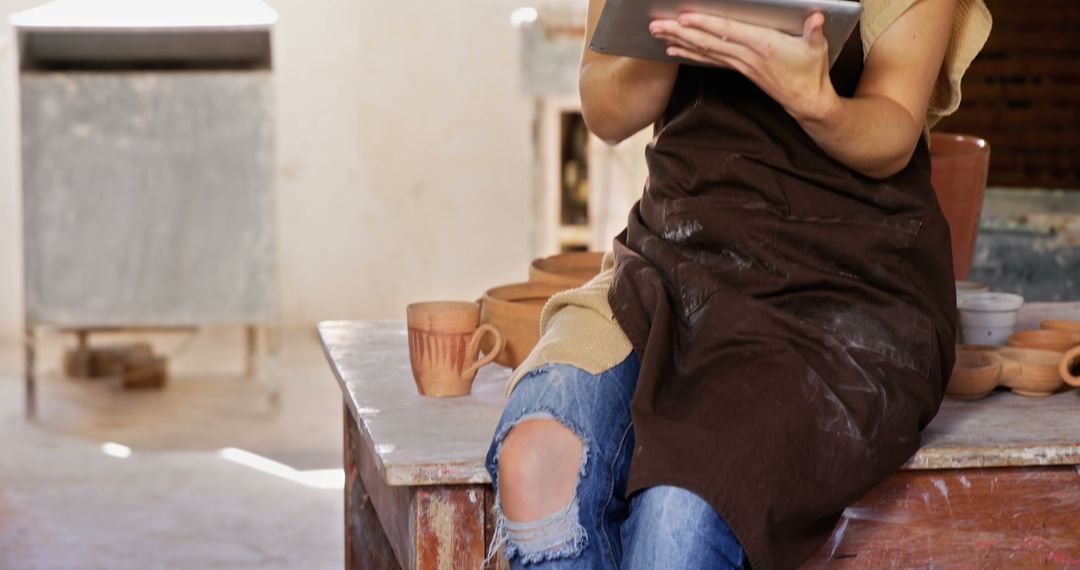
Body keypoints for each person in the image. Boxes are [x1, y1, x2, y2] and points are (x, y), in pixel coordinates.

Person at [485, 0, 992, 568]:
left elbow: (893, 128)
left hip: (842, 283)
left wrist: (815, 100)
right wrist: (674, 28)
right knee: (538, 457)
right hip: (674, 255)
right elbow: (604, 107)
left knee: (679, 513)